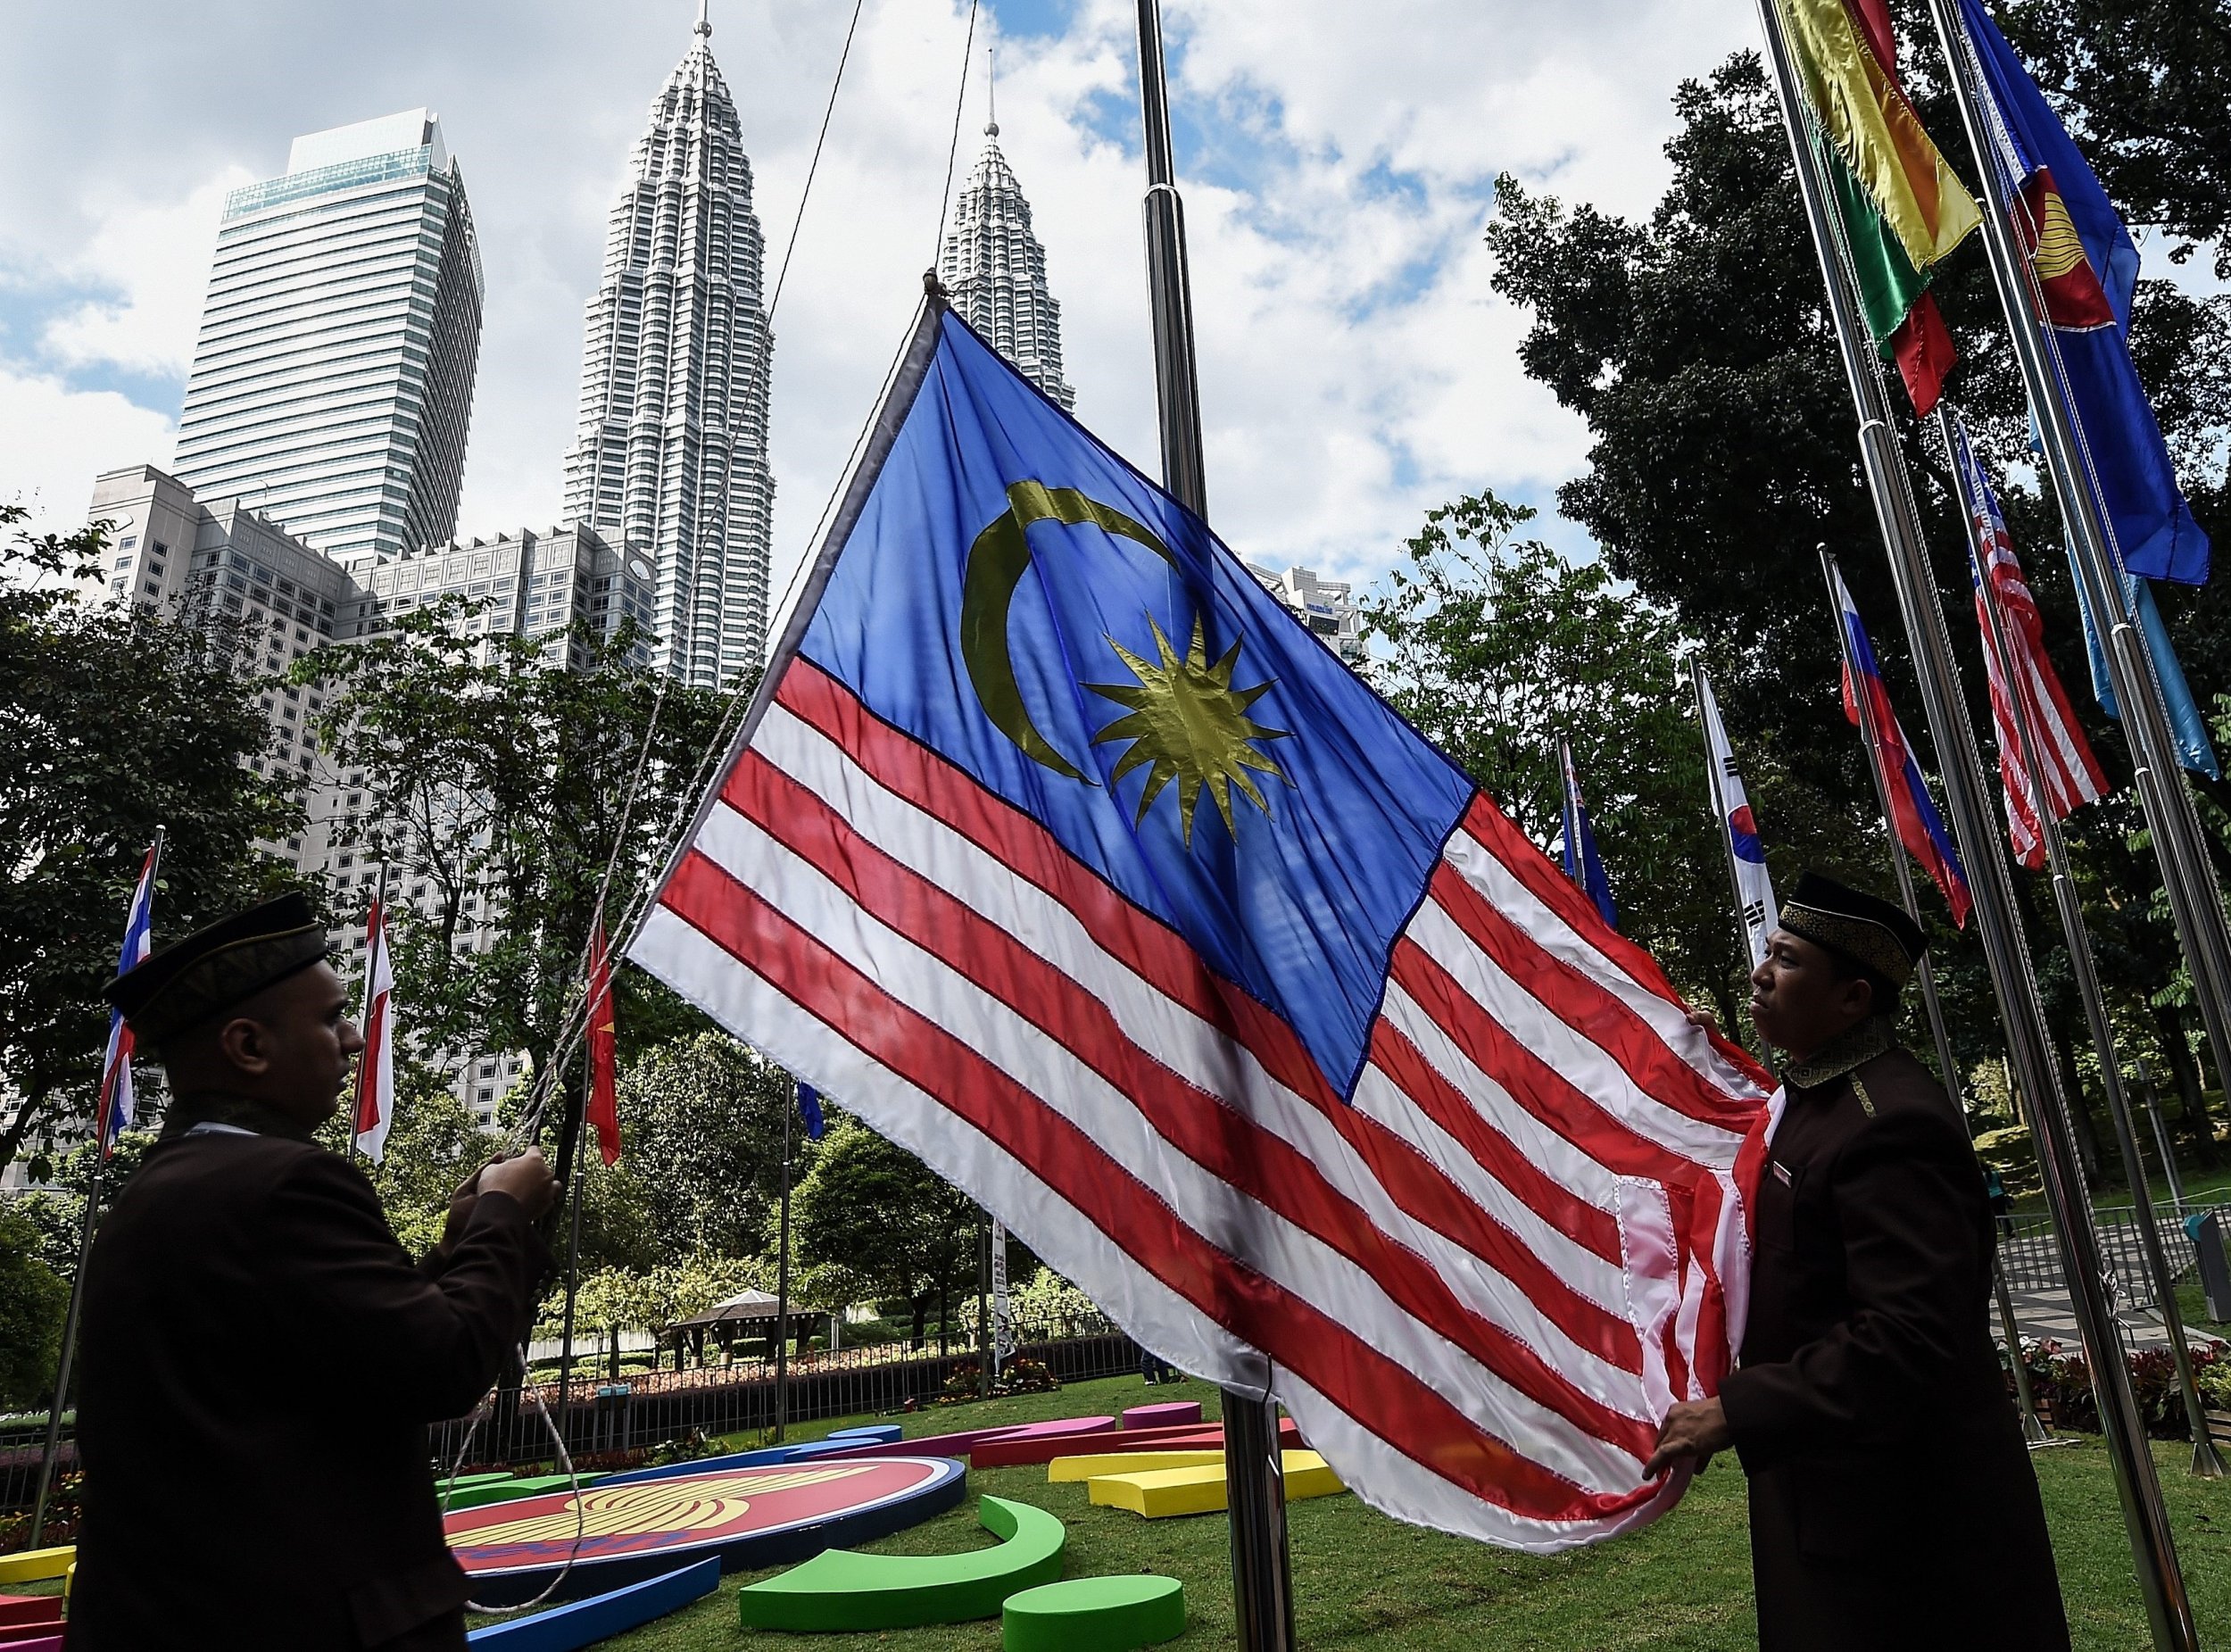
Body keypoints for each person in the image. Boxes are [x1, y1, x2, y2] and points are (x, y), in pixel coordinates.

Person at [69, 894, 560, 1652]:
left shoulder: (161, 1189)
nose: (358, 1038)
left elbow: (356, 1350)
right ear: (248, 1045)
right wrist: (502, 1215)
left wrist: (458, 1242)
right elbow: (442, 1362)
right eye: (331, 1017)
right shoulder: (289, 1182)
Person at [1648, 873, 2069, 1651]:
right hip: (1830, 1501)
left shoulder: (1892, 1125)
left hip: (1907, 1533)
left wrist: (1737, 1409)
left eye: (1789, 959)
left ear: (1853, 1000)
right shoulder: (1816, 1096)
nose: (1760, 973)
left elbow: (1907, 1335)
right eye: (1767, 952)